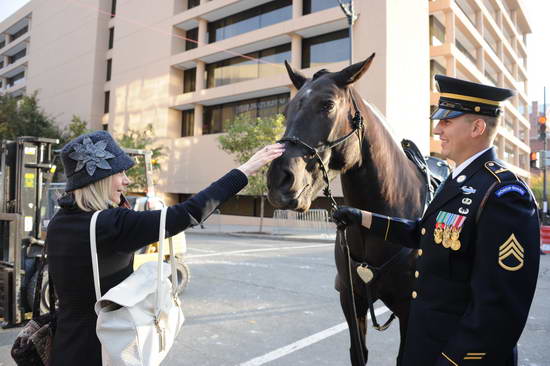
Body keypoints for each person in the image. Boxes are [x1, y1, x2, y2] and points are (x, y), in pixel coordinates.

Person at [333, 75, 540, 366]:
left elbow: (500, 309)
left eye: (447, 121)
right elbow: (425, 233)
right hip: (422, 346)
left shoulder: (504, 194)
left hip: (457, 356)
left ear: (477, 127)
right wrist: (363, 218)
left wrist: (454, 361)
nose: (437, 129)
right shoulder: (457, 180)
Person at [46, 130, 284, 366]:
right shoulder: (110, 224)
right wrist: (246, 168)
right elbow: (188, 212)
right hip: (102, 349)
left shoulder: (59, 221)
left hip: (65, 344)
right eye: (121, 173)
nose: (127, 181)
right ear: (99, 179)